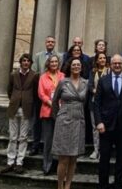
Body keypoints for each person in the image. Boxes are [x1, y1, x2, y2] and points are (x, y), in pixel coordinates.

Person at [94, 54, 122, 189]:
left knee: (121, 159)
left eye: (119, 63)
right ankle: (103, 185)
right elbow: (97, 104)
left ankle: (119, 184)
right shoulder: (103, 80)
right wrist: (99, 122)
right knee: (104, 158)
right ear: (110, 65)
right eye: (114, 63)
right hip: (105, 125)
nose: (117, 65)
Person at [52, 58, 88, 189]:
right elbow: (55, 101)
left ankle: (68, 186)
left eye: (78, 64)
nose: (76, 66)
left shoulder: (85, 83)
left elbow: (84, 102)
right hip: (64, 121)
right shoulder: (63, 82)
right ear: (70, 67)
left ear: (81, 67)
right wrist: (59, 116)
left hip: (78, 120)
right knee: (64, 157)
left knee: (73, 158)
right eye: (74, 65)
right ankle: (60, 186)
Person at [2, 54, 38, 174]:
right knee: (12, 137)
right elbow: (9, 90)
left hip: (26, 108)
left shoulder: (34, 75)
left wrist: (29, 101)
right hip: (14, 108)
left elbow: (35, 91)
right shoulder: (14, 74)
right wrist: (14, 99)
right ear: (21, 62)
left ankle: (19, 163)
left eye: (28, 61)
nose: (26, 63)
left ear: (30, 63)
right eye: (24, 61)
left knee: (23, 137)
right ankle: (10, 161)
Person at [30, 36, 61, 155]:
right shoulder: (38, 56)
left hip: (55, 94)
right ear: (45, 43)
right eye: (48, 41)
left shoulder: (59, 56)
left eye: (52, 42)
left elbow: (59, 72)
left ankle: (52, 148)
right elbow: (35, 72)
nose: (50, 43)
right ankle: (36, 144)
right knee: (37, 120)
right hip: (42, 91)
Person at [37, 55, 64, 175]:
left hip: (60, 112)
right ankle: (46, 165)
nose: (54, 63)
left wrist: (59, 104)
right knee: (48, 140)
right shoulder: (43, 77)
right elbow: (41, 93)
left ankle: (57, 165)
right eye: (52, 62)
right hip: (47, 111)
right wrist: (51, 103)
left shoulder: (62, 76)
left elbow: (65, 91)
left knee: (58, 140)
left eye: (56, 62)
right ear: (48, 63)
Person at [88, 49, 110, 159]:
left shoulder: (109, 71)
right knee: (95, 127)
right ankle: (96, 149)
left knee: (104, 127)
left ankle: (103, 150)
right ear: (97, 60)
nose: (102, 60)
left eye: (104, 58)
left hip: (106, 103)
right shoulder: (93, 71)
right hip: (94, 102)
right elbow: (90, 85)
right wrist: (95, 91)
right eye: (100, 58)